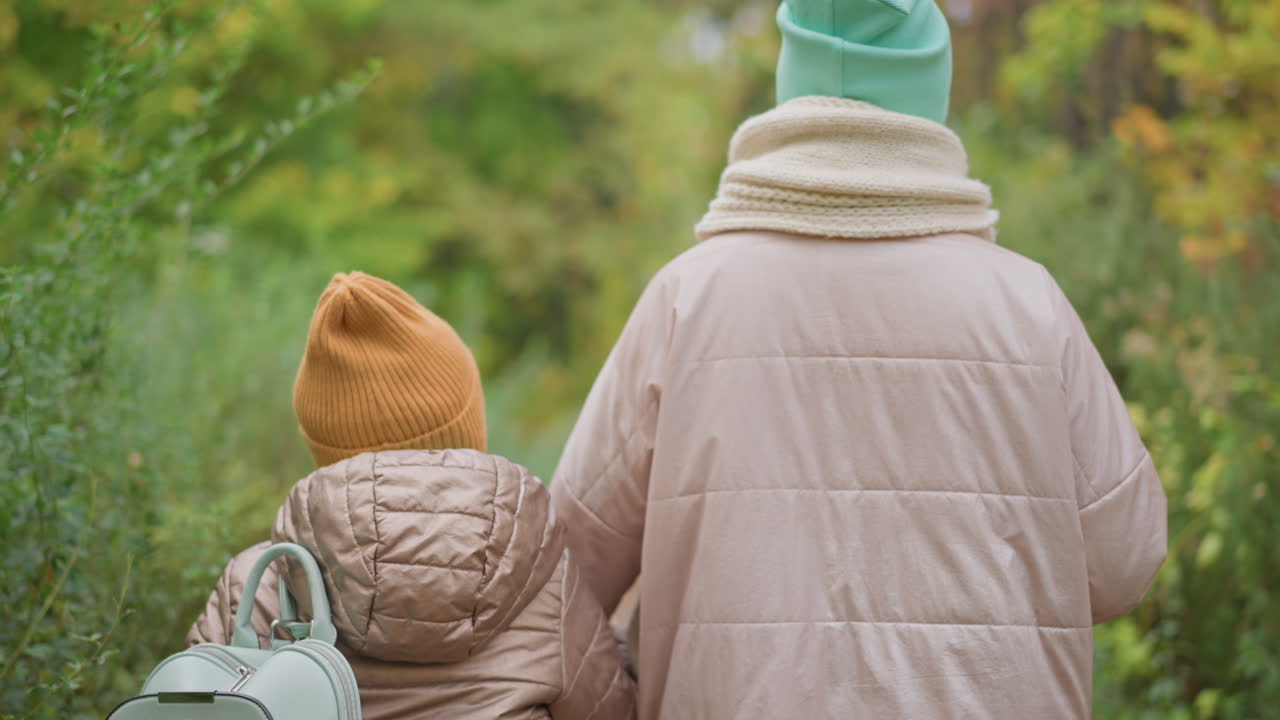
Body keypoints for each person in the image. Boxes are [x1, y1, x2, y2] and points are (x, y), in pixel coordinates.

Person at [549, 0, 1168, 718]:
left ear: (792, 88)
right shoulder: (1028, 304)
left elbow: (569, 565)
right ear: (928, 102)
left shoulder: (688, 298)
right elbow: (1125, 561)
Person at [188, 272, 636, 720]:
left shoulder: (256, 584)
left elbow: (190, 703)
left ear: (322, 442)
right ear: (465, 426)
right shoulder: (546, 584)